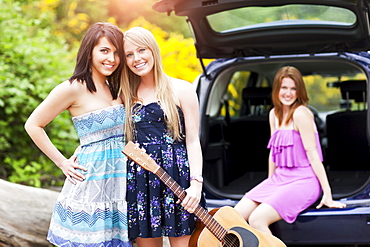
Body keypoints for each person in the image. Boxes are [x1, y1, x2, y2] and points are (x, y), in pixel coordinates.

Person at [24, 22, 131, 246]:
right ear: (89, 51)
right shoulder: (73, 87)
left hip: (120, 182)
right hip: (91, 182)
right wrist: (62, 162)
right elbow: (33, 125)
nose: (111, 58)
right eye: (104, 50)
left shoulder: (117, 87)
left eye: (117, 52)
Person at [234, 66, 346, 234]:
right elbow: (273, 152)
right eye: (284, 88)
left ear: (299, 91)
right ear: (277, 90)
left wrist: (327, 194)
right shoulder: (273, 114)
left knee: (257, 220)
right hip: (279, 179)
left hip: (304, 180)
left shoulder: (301, 114)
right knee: (233, 217)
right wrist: (269, 183)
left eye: (293, 89)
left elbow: (314, 156)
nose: (288, 93)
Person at [120, 26, 204, 247]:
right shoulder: (125, 95)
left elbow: (193, 141)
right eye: (129, 54)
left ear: (153, 50)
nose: (136, 58)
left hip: (178, 180)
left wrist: (196, 184)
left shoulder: (182, 89)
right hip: (140, 182)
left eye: (141, 50)